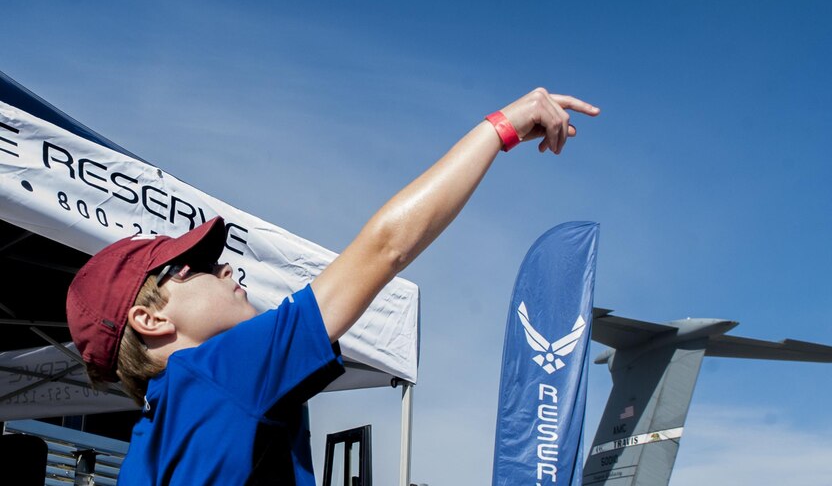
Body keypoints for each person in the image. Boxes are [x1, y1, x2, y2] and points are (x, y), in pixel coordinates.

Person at [65, 88, 599, 485]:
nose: (225, 270)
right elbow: (385, 248)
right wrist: (501, 128)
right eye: (196, 268)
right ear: (150, 319)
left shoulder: (147, 448)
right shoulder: (211, 372)